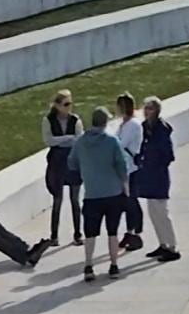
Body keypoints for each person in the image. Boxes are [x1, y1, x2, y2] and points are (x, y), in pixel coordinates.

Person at [68, 107, 129, 283]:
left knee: (90, 233)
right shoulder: (112, 141)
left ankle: (88, 265)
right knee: (112, 231)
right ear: (105, 122)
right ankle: (114, 265)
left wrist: (86, 169)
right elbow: (121, 165)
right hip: (112, 192)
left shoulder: (80, 142)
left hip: (92, 193)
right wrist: (125, 186)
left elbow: (72, 163)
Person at [135, 96, 180, 262]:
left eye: (150, 108)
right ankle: (162, 243)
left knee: (162, 212)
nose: (147, 111)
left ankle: (172, 246)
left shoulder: (161, 130)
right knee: (153, 212)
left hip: (159, 176)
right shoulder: (145, 127)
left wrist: (154, 163)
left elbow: (168, 155)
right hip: (148, 175)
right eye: (145, 108)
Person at [41, 89, 83, 247]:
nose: (69, 107)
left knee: (75, 200)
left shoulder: (75, 120)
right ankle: (54, 236)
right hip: (57, 163)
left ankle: (78, 234)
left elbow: (79, 140)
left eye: (70, 104)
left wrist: (61, 140)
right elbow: (48, 140)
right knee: (57, 199)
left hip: (72, 162)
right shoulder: (48, 120)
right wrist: (67, 138)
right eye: (66, 104)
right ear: (57, 106)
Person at [113, 92, 144, 252]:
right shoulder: (124, 124)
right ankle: (130, 232)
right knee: (126, 202)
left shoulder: (133, 125)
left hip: (131, 169)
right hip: (124, 169)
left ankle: (136, 233)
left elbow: (121, 144)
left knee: (131, 202)